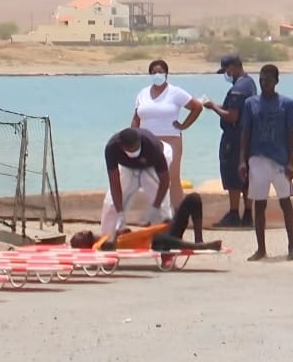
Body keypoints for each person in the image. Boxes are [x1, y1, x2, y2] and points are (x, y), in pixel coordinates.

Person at [240, 64, 293, 262]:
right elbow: (245, 133)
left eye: (268, 79)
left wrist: (291, 162)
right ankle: (261, 248)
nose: (264, 83)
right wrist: (243, 160)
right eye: (261, 79)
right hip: (257, 158)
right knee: (259, 204)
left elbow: (292, 134)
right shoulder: (251, 103)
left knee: (285, 202)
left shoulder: (287, 104)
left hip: (280, 160)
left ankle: (292, 246)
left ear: (276, 81)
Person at [130, 59, 203, 209]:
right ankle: (157, 212)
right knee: (151, 178)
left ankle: (178, 214)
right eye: (154, 72)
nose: (157, 75)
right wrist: (134, 137)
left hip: (171, 140)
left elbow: (197, 107)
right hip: (148, 141)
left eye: (160, 72)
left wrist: (184, 125)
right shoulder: (143, 94)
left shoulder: (175, 92)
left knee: (172, 177)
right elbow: (136, 118)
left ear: (166, 74)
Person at [204, 54, 257, 228]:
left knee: (232, 173)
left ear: (234, 67)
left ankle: (234, 213)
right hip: (248, 135)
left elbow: (231, 115)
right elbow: (235, 108)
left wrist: (213, 108)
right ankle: (248, 213)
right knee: (247, 174)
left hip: (233, 137)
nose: (226, 74)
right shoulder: (249, 83)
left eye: (227, 70)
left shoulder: (237, 88)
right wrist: (215, 104)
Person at [70, 192, 220, 252]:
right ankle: (199, 247)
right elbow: (108, 247)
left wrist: (120, 233)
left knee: (193, 198)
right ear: (84, 245)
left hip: (162, 232)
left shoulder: (107, 235)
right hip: (154, 243)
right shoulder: (99, 245)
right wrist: (116, 236)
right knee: (158, 239)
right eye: (79, 236)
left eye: (78, 233)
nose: (81, 232)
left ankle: (199, 239)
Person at [101, 127, 174, 238]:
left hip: (152, 165)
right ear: (122, 147)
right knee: (111, 204)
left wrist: (155, 207)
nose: (133, 152)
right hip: (127, 166)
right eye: (130, 150)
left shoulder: (152, 146)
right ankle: (108, 238)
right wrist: (120, 212)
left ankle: (165, 240)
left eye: (135, 149)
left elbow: (164, 181)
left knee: (162, 207)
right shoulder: (112, 148)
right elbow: (114, 181)